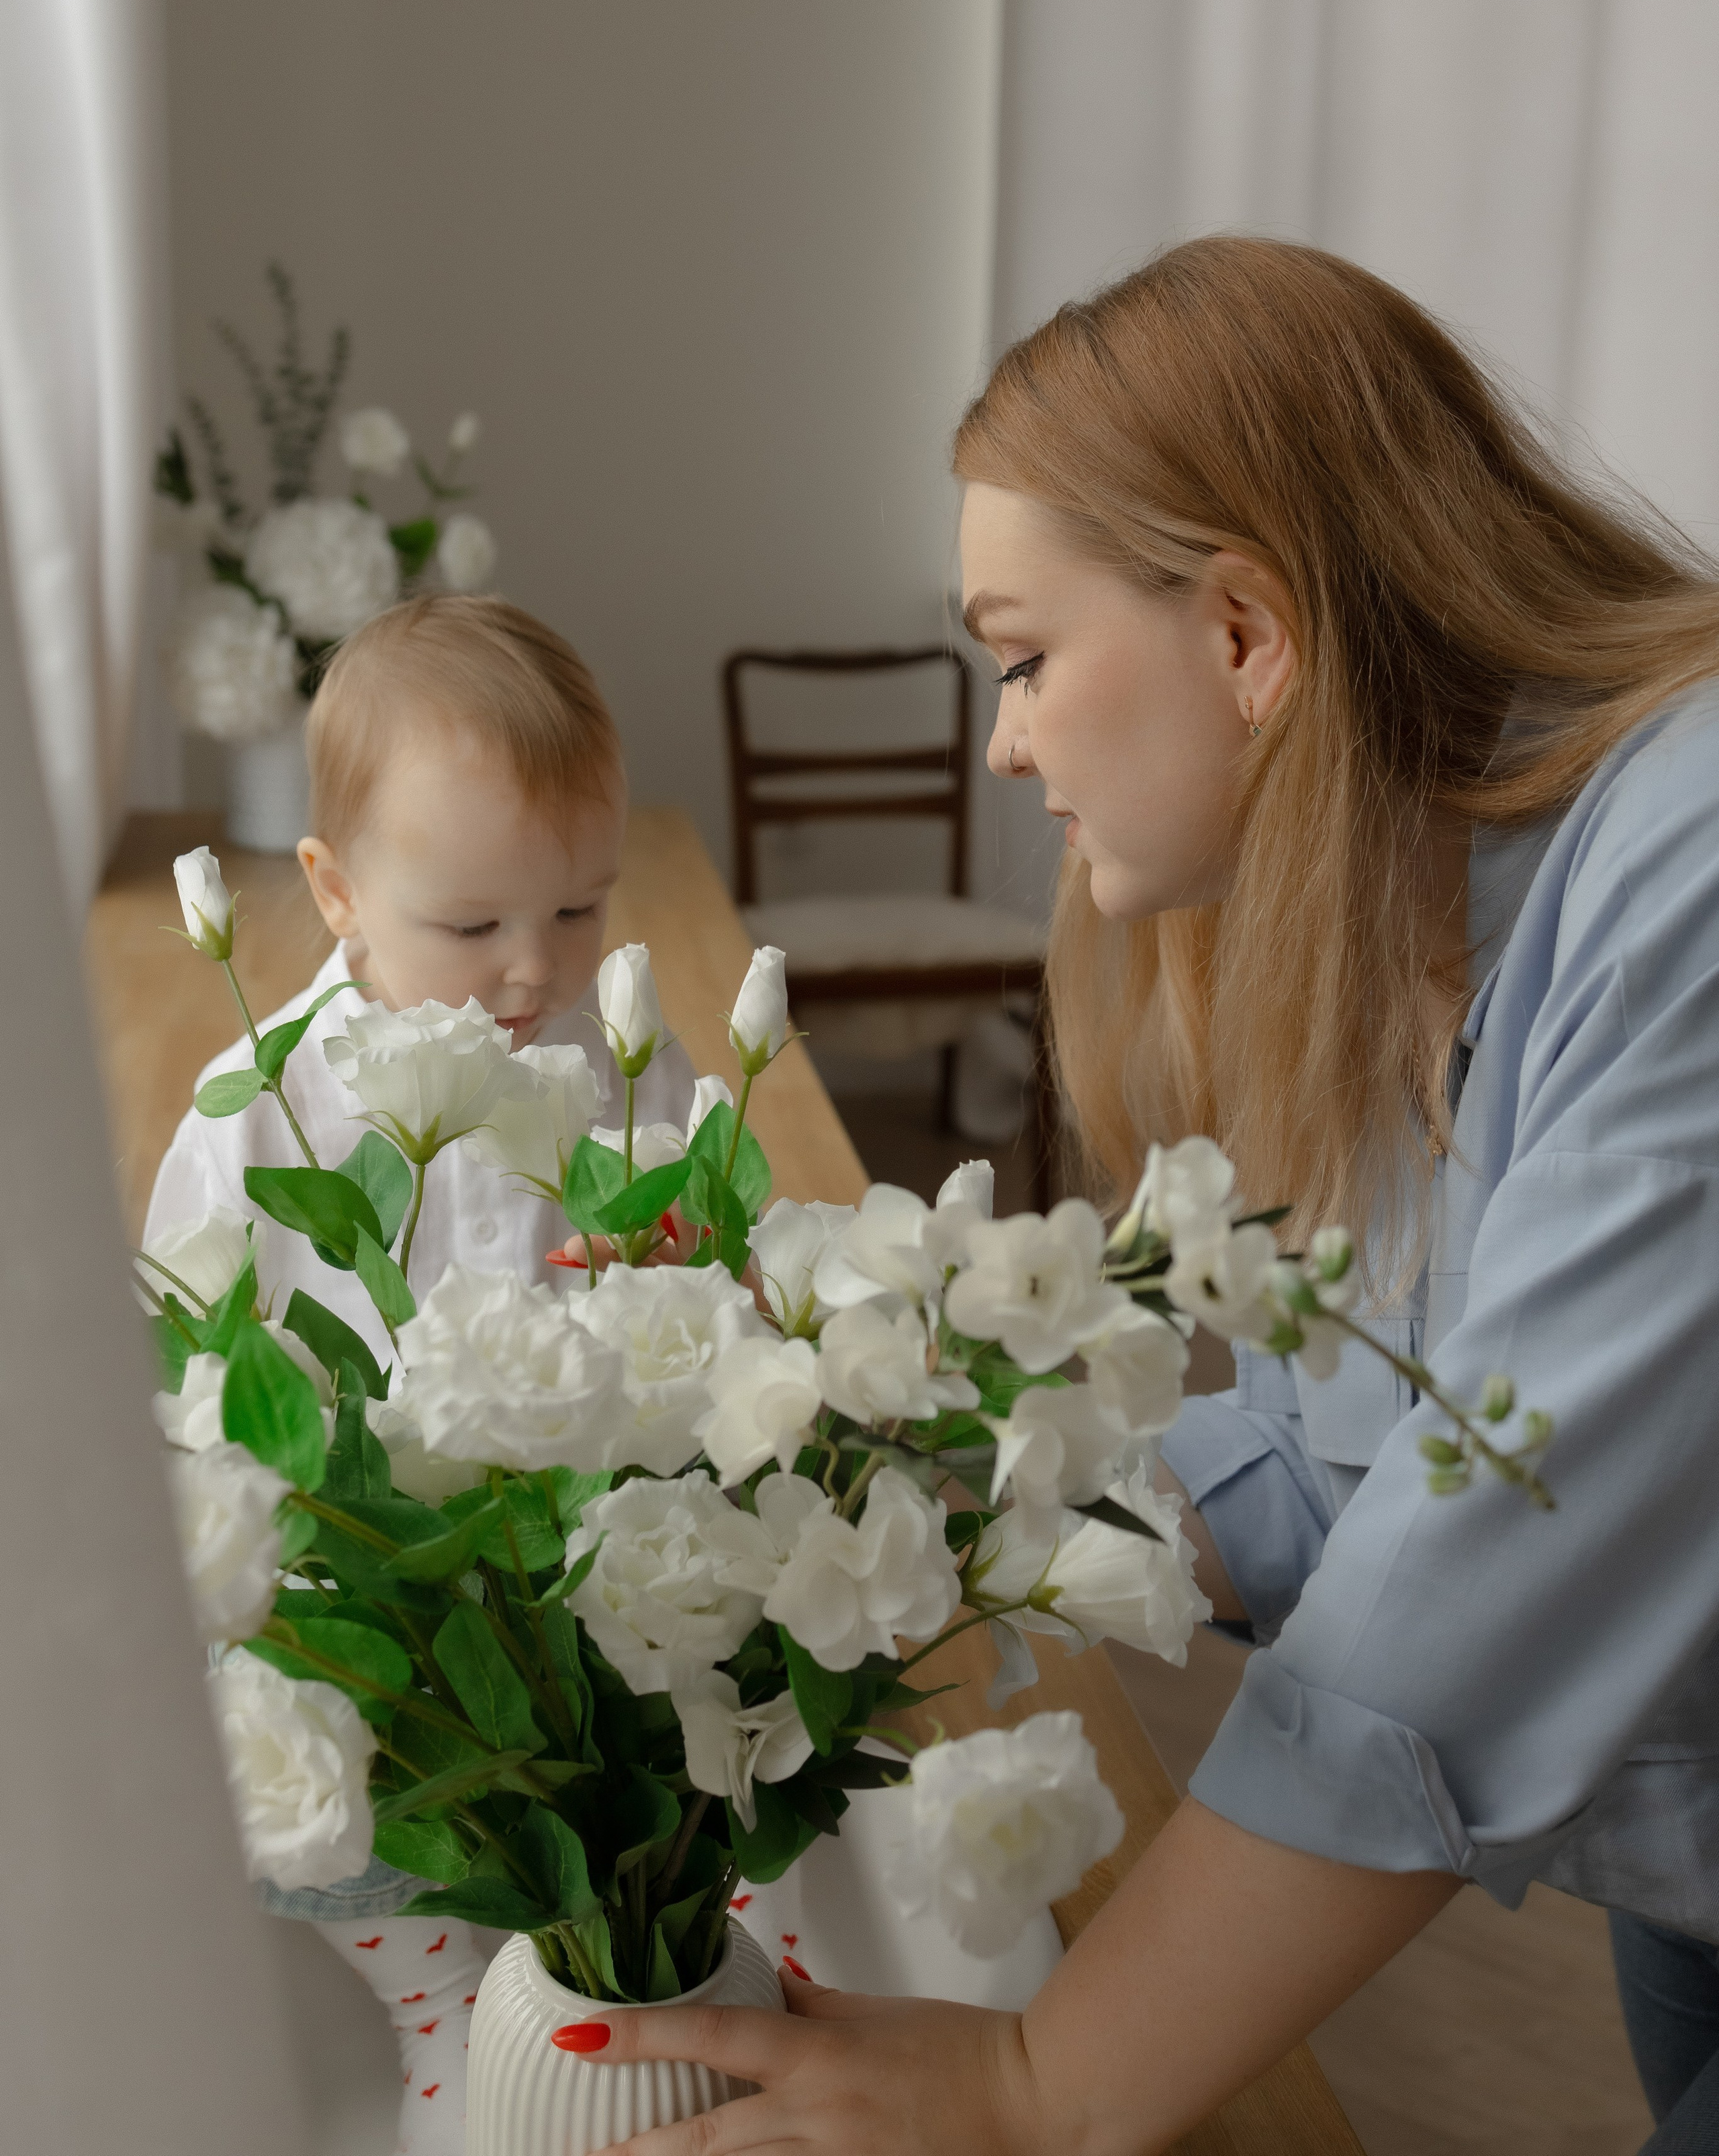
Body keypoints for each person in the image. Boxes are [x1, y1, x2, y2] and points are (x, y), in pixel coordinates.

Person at [560, 238, 1719, 2156]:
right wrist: (877, 1479)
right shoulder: (1418, 902)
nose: (1007, 737)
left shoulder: (1684, 872)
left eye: (1021, 657)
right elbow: (1321, 1436)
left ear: (1249, 635)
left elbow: (1485, 1558)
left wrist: (1040, 2087)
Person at [145, 593, 701, 2156]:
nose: (535, 971)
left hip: (576, 1601)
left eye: (581, 911)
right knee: (375, 1848)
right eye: (471, 928)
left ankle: (618, 2000)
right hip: (371, 1610)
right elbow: (198, 1373)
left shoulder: (618, 1060)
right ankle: (433, 2019)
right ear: (333, 891)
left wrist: (669, 1267)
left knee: (651, 1820)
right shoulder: (257, 1109)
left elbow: (709, 1261)